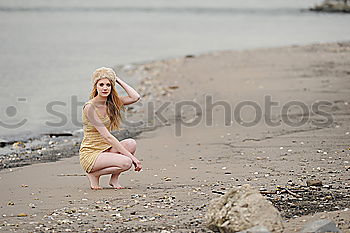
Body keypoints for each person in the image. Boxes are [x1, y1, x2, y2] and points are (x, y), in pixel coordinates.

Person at [79, 67, 142, 190]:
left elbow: (135, 97)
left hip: (105, 150)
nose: (105, 88)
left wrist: (116, 79)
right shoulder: (89, 107)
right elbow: (107, 136)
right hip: (91, 154)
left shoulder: (111, 103)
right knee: (127, 162)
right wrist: (132, 157)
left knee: (131, 143)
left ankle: (114, 180)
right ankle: (94, 174)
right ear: (95, 87)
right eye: (101, 84)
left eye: (108, 85)